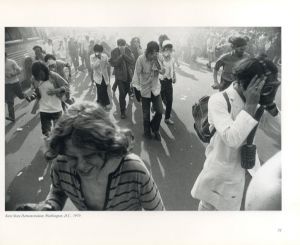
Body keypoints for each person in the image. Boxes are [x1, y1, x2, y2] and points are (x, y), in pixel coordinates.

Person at [16, 102, 165, 211]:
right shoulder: (61, 164)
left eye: (90, 155)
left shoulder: (134, 170)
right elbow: (58, 190)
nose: (81, 165)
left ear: (107, 146)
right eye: (72, 157)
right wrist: (50, 206)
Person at [191, 57, 281, 211]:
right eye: (263, 87)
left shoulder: (258, 101)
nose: (265, 91)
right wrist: (251, 105)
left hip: (248, 174)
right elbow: (232, 138)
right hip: (219, 180)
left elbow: (281, 132)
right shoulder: (219, 100)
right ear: (245, 83)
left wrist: (271, 105)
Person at [132, 41, 164, 141]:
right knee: (146, 114)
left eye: (156, 53)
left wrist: (157, 62)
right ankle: (147, 132)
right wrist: (136, 89)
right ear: (147, 51)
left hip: (155, 88)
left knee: (159, 110)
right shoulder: (141, 59)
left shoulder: (159, 58)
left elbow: (163, 71)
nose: (153, 56)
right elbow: (136, 74)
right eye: (151, 53)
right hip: (144, 89)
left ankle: (154, 128)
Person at [30, 61, 68, 137]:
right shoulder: (34, 79)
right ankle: (50, 141)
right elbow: (35, 91)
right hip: (43, 110)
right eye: (37, 76)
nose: (40, 77)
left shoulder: (54, 76)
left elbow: (66, 87)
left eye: (41, 74)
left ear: (45, 70)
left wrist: (57, 90)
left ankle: (56, 143)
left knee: (58, 130)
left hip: (56, 108)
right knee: (46, 131)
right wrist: (33, 95)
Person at [109, 39, 135, 119]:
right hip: (119, 76)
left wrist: (125, 55)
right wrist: (121, 56)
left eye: (124, 45)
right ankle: (122, 112)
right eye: (120, 45)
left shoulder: (128, 50)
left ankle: (125, 106)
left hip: (128, 75)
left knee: (127, 91)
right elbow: (114, 63)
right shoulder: (114, 51)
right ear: (118, 45)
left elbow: (132, 61)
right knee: (122, 94)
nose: (122, 47)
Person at [5, 53, 28, 122]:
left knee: (21, 96)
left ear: (6, 56)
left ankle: (27, 96)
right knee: (10, 101)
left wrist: (12, 74)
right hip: (6, 85)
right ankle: (12, 117)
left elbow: (19, 70)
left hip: (15, 82)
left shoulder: (11, 62)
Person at [159, 40, 177, 125]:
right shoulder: (160, 57)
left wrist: (174, 77)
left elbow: (173, 69)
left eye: (169, 48)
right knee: (160, 100)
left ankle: (167, 118)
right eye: (166, 48)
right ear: (163, 49)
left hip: (169, 82)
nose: (168, 50)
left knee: (170, 100)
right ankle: (157, 116)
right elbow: (157, 69)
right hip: (161, 82)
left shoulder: (172, 59)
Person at [90, 44, 111, 109]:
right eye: (97, 51)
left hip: (104, 76)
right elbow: (93, 67)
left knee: (103, 89)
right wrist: (98, 59)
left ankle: (100, 102)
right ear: (94, 51)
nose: (98, 53)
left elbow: (108, 64)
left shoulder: (104, 56)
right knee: (100, 89)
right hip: (97, 76)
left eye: (100, 51)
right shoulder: (91, 57)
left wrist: (108, 62)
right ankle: (105, 103)